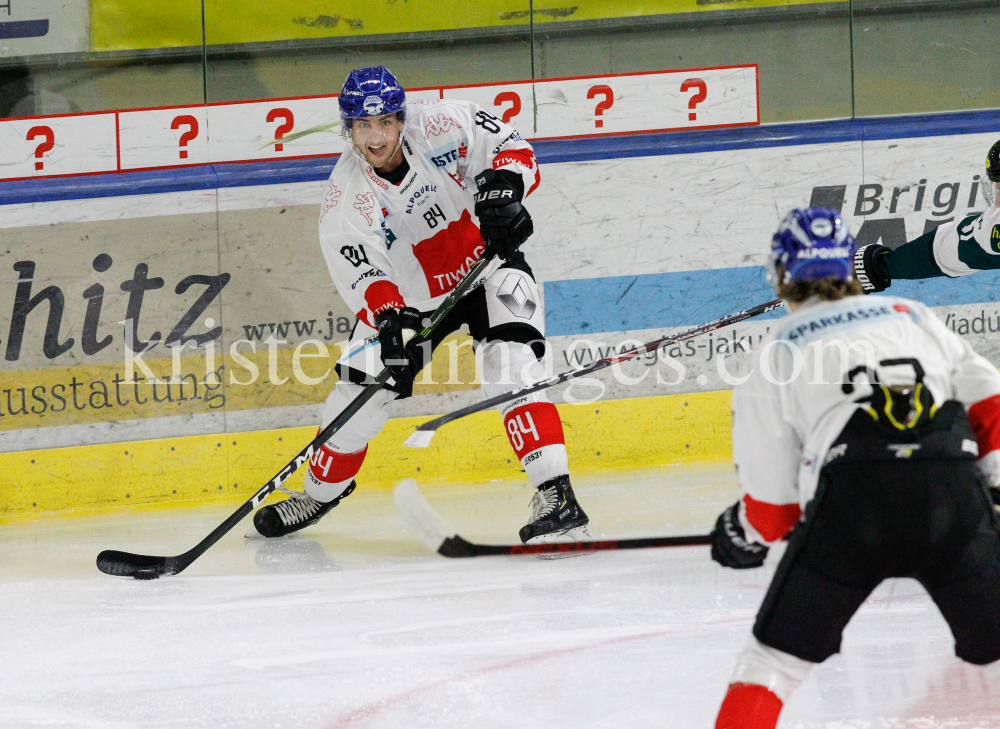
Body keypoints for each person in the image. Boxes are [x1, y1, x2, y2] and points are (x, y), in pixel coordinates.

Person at [247, 66, 589, 545]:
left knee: (511, 365)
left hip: (489, 271)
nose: (375, 136)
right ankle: (317, 496)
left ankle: (557, 495)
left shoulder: (445, 125)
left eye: (385, 122)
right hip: (412, 305)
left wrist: (507, 186)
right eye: (363, 126)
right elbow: (364, 270)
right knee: (357, 400)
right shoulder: (348, 196)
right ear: (348, 129)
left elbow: (511, 147)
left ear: (401, 119)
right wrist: (390, 320)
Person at [711, 207, 1000, 729]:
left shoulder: (778, 347)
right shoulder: (913, 316)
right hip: (950, 496)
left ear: (780, 272)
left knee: (770, 666)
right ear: (850, 267)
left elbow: (774, 510)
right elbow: (988, 402)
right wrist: (995, 485)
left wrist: (742, 533)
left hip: (851, 508)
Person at [854, 139, 1000, 291]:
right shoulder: (992, 229)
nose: (997, 200)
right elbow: (944, 248)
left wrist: (878, 267)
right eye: (997, 189)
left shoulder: (994, 231)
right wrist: (880, 266)